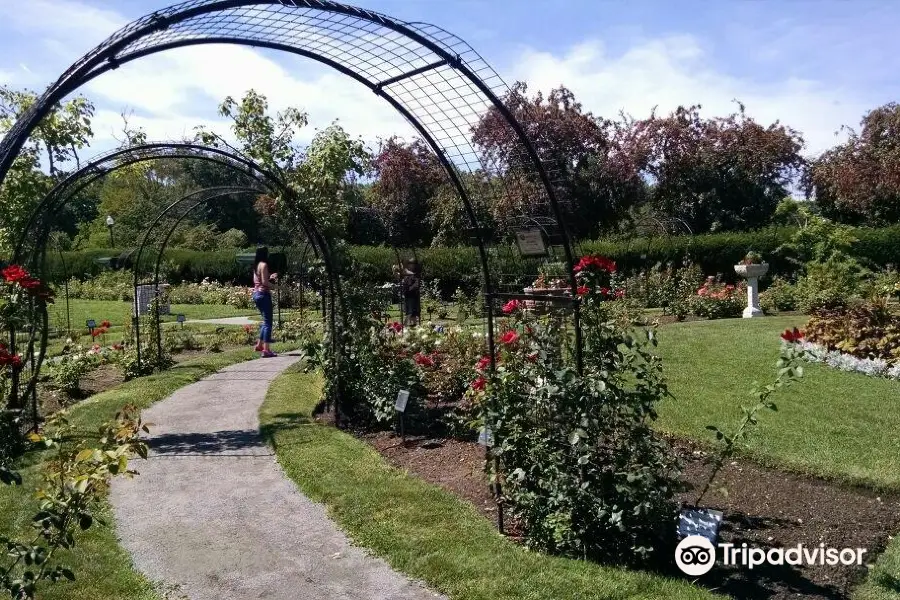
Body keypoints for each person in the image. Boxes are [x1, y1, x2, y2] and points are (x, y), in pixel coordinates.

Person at [252, 246, 278, 358]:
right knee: (268, 323)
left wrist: (270, 277)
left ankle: (259, 345)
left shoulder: (256, 266)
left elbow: (260, 280)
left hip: (257, 295)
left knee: (265, 321)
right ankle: (266, 350)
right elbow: (265, 283)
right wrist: (277, 286)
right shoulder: (264, 265)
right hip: (263, 295)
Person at [400, 258, 421, 327]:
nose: (410, 266)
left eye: (411, 264)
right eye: (409, 264)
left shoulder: (416, 274)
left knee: (411, 312)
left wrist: (409, 289)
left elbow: (416, 285)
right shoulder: (407, 273)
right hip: (407, 296)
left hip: (412, 296)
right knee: (409, 312)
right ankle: (409, 326)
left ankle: (407, 327)